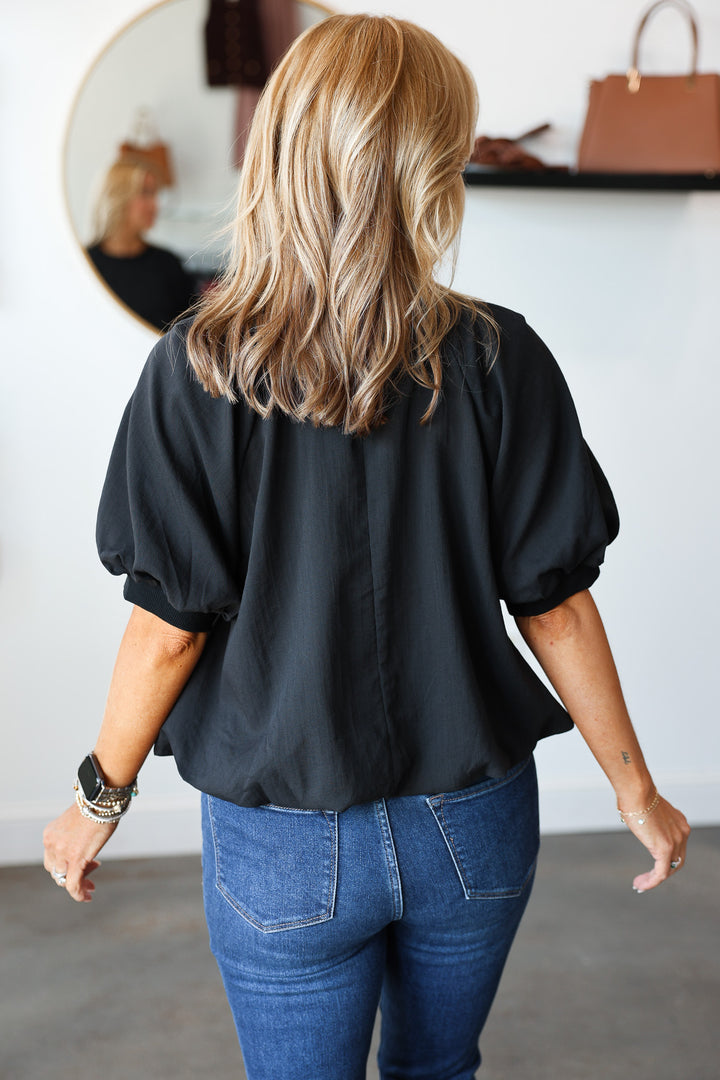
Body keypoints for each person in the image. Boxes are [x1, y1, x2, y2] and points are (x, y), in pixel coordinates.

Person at [44, 14, 690, 1080]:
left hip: (283, 841)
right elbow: (557, 603)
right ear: (425, 165)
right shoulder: (497, 357)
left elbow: (169, 629)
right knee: (439, 1070)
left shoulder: (196, 369)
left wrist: (94, 801)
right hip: (472, 823)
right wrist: (636, 791)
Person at [86, 159, 196, 332]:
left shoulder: (168, 265)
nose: (155, 205)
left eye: (155, 194)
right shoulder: (85, 265)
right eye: (145, 193)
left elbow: (187, 334)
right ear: (118, 195)